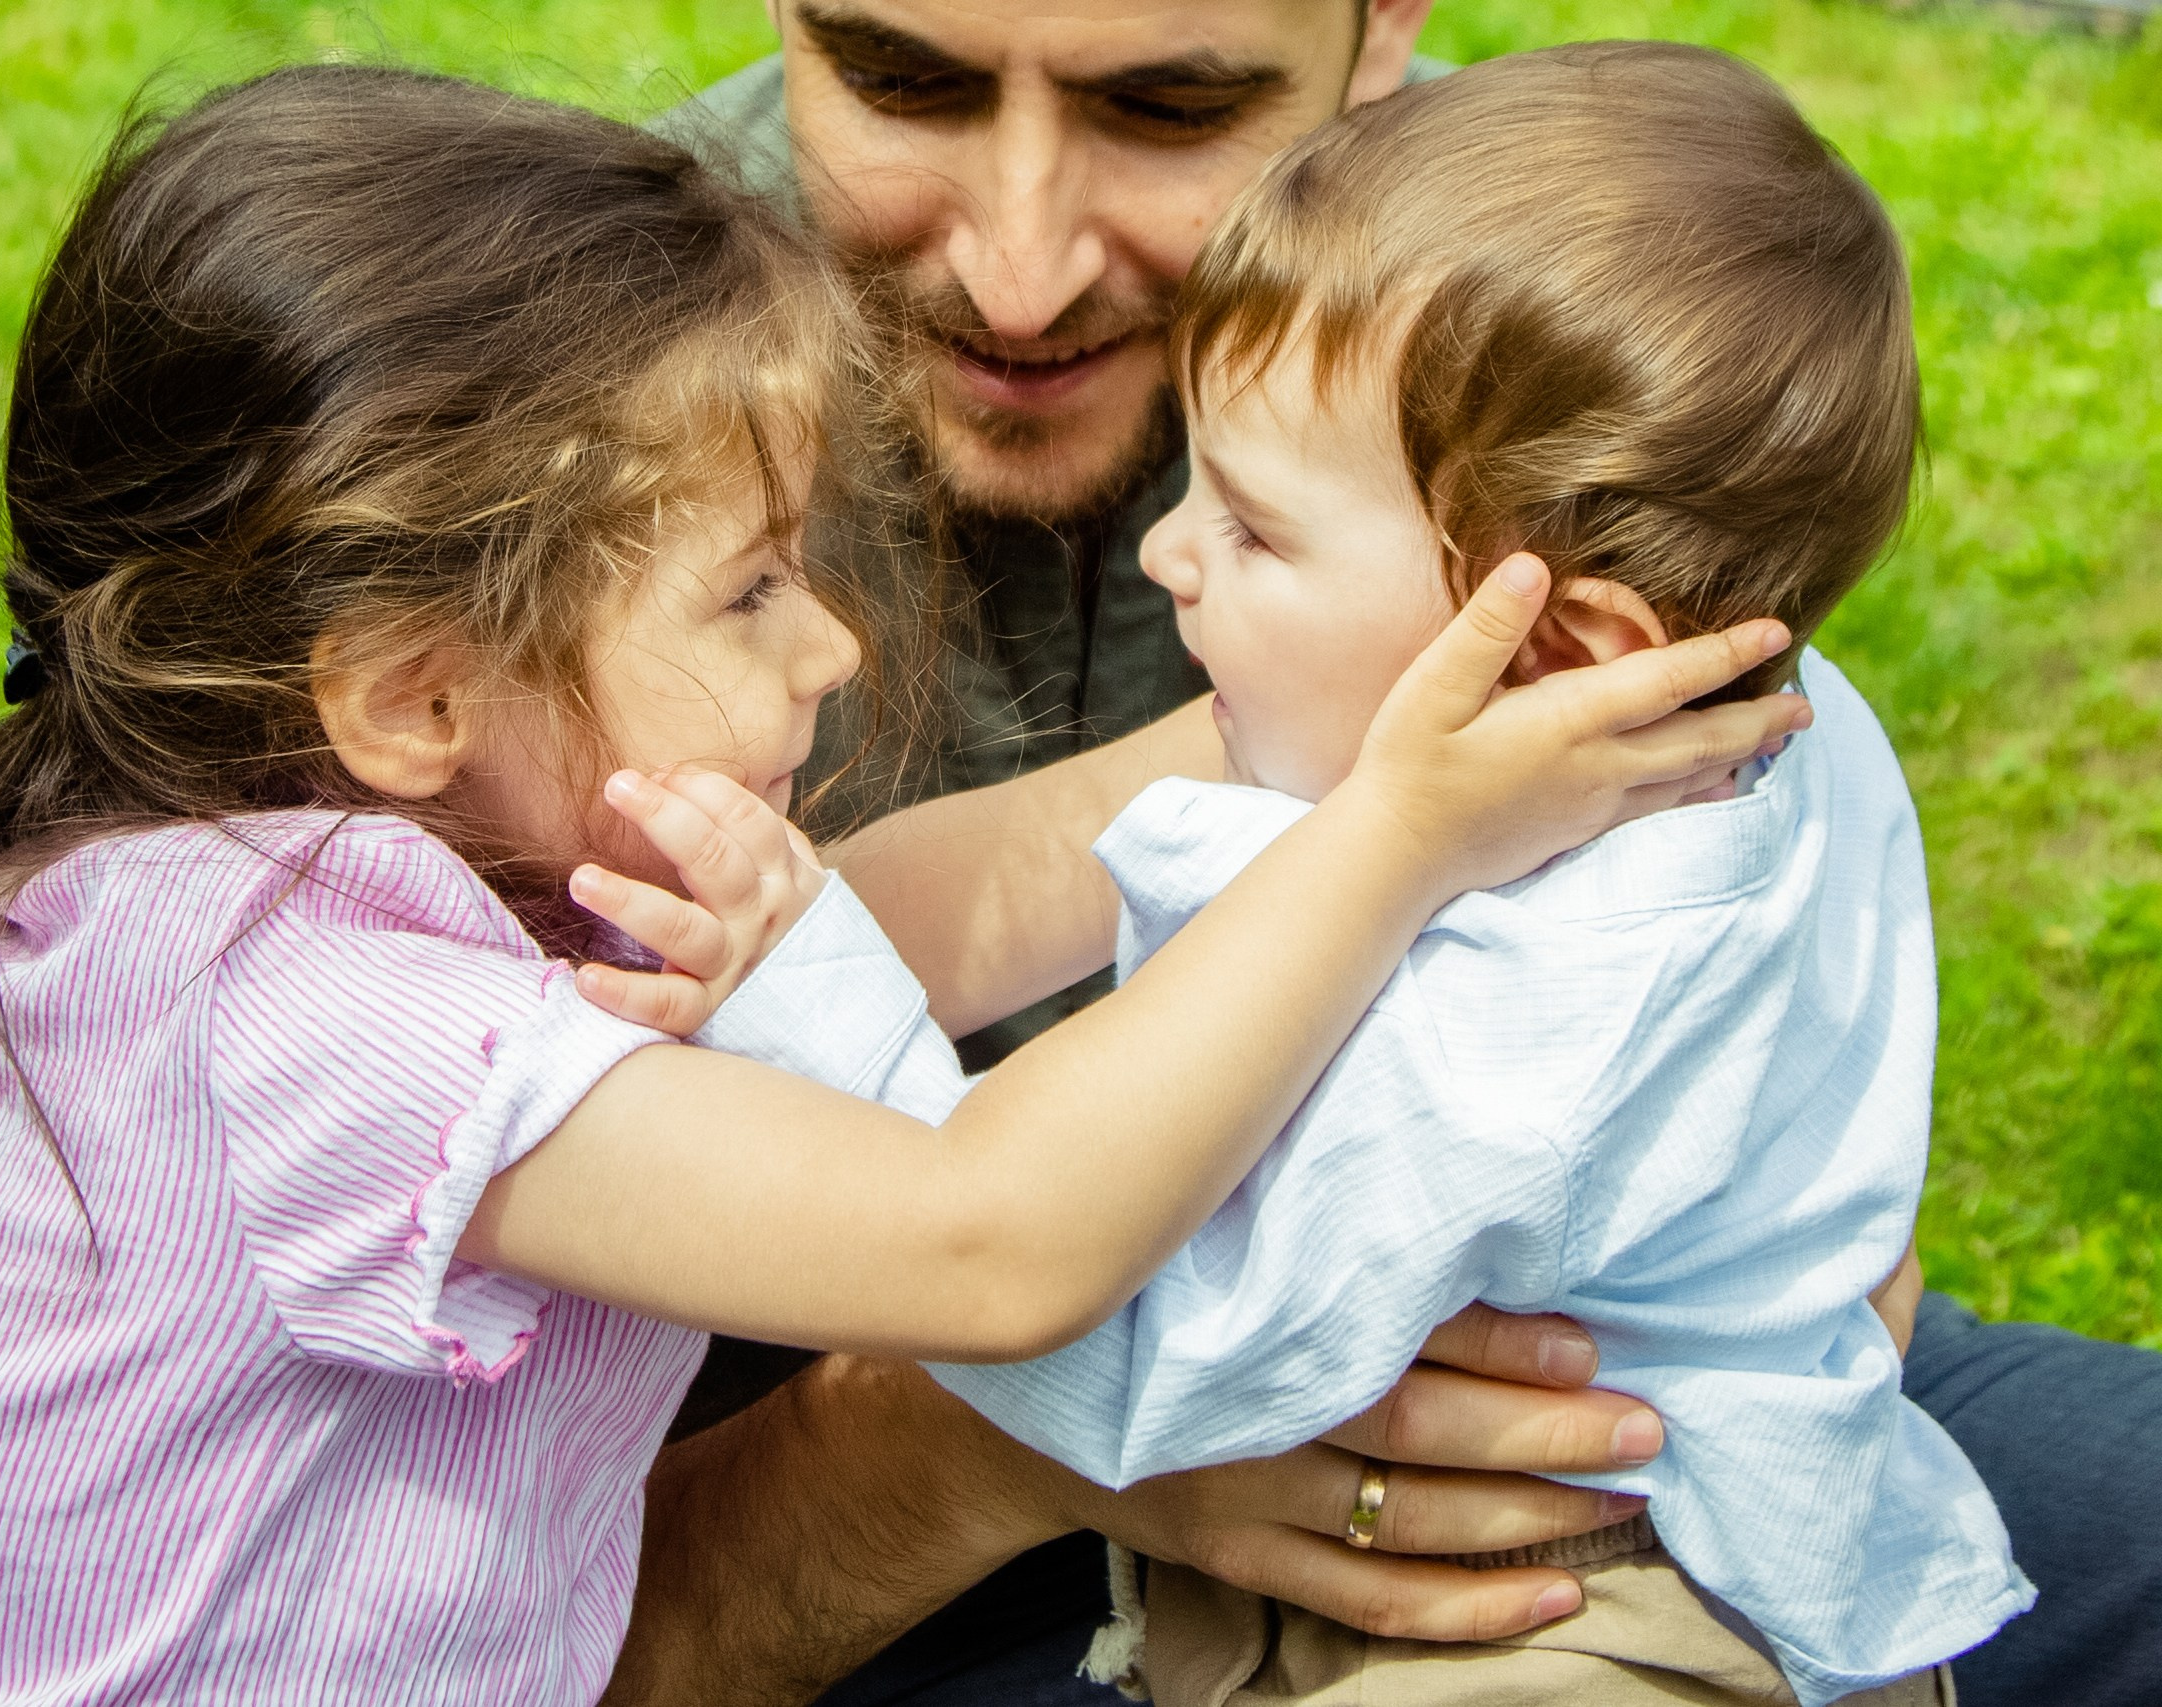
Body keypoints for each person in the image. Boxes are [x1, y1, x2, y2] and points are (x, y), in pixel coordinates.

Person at [0, 64, 1793, 1707]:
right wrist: (1394, 837)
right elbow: (993, 1248)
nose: (830, 649)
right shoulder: (292, 999)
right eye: (749, 590)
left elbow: (898, 916)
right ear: (414, 692)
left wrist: (1342, 722)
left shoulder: (300, 865)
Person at [640, 4, 2162, 1705]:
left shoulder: (1500, 293)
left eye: (1168, 105)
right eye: (903, 78)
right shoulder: (551, 386)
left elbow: (1130, 1330)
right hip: (887, 1502)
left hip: (1572, 1515)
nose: (1020, 271)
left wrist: (1785, 1250)